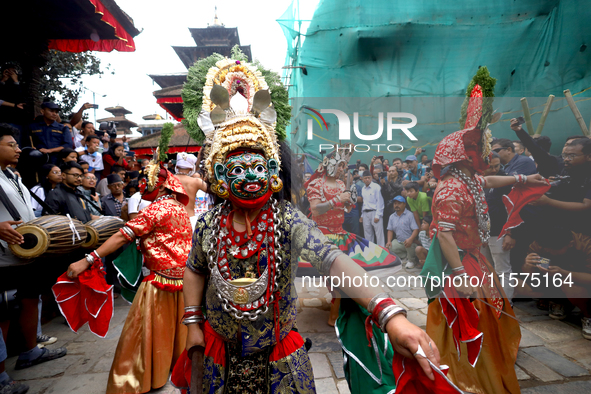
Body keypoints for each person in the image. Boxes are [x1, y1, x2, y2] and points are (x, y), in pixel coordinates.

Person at [175, 56, 438, 394]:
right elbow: (195, 269)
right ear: (220, 175)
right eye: (238, 170)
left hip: (279, 358)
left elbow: (333, 259)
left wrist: (391, 315)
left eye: (257, 167)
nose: (250, 177)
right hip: (218, 355)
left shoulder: (286, 219)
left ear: (272, 170)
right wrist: (193, 323)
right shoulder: (210, 223)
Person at [425, 95, 547, 393]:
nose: (488, 153)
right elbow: (444, 234)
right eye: (481, 148)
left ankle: (491, 358)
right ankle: (467, 375)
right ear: (465, 155)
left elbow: (490, 182)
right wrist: (460, 274)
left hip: (476, 259)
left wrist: (523, 178)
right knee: (471, 318)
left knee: (491, 312)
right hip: (461, 264)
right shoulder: (452, 188)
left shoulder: (469, 179)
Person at [67, 154, 192, 394]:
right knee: (176, 334)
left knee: (140, 336)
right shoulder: (178, 207)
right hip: (183, 282)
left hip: (160, 284)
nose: (142, 186)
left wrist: (88, 259)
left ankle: (142, 378)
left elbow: (121, 236)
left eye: (147, 181)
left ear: (159, 184)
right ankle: (172, 372)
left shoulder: (155, 211)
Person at [0, 123, 67, 381]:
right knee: (2, 311)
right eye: (12, 144)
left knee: (30, 299)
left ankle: (30, 352)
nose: (19, 149)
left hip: (24, 254)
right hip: (3, 258)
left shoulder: (13, 175)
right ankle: (1, 376)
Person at [305, 145, 399, 325]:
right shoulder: (316, 184)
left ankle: (342, 309)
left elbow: (346, 207)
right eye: (340, 165)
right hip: (323, 236)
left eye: (344, 166)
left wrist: (348, 203)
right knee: (334, 276)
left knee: (346, 275)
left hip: (341, 235)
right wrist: (336, 200)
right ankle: (337, 311)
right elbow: (316, 210)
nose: (343, 169)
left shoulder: (341, 184)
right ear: (329, 164)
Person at [520, 229, 591, 339]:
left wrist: (564, 273)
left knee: (569, 285)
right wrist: (527, 265)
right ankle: (561, 303)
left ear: (570, 244)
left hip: (580, 284)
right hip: (551, 280)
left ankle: (588, 315)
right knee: (516, 284)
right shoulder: (540, 244)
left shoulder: (586, 245)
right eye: (547, 251)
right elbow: (529, 275)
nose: (550, 253)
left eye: (553, 250)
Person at [528, 138, 591, 236]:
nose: (566, 159)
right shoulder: (567, 168)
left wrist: (549, 201)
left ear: (589, 156)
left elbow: (586, 205)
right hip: (562, 226)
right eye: (565, 155)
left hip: (583, 231)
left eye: (572, 156)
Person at [480, 152, 514, 301]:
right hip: (483, 234)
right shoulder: (480, 181)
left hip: (500, 233)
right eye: (490, 167)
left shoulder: (505, 181)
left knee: (503, 271)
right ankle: (491, 301)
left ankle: (507, 305)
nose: (494, 170)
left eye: (497, 166)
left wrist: (511, 233)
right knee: (485, 269)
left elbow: (514, 209)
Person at [174, 153, 207, 229]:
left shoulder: (170, 179)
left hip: (174, 220)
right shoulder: (196, 181)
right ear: (191, 169)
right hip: (191, 220)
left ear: (176, 166)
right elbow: (213, 190)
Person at [386, 196, 419, 269]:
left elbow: (416, 229)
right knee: (390, 246)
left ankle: (411, 260)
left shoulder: (410, 215)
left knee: (408, 243)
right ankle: (405, 257)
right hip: (399, 242)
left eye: (399, 203)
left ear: (404, 204)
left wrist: (411, 239)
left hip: (411, 242)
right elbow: (390, 230)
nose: (396, 205)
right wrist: (388, 241)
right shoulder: (392, 217)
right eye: (395, 203)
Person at [360, 170, 385, 246]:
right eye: (365, 178)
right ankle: (370, 252)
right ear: (362, 179)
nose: (367, 179)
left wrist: (378, 215)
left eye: (368, 178)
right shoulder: (363, 189)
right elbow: (364, 202)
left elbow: (380, 202)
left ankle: (381, 251)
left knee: (379, 234)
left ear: (371, 178)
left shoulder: (376, 187)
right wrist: (362, 215)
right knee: (367, 234)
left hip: (375, 212)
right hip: (365, 213)